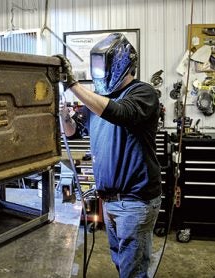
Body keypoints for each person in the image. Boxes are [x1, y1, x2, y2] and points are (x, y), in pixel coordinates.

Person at [58, 33, 162, 278]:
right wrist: (64, 113)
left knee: (133, 270)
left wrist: (73, 85)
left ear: (121, 64)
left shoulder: (144, 94)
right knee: (121, 262)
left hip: (136, 200)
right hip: (110, 199)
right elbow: (73, 132)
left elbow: (120, 113)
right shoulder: (99, 100)